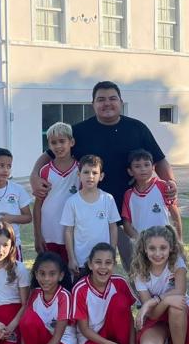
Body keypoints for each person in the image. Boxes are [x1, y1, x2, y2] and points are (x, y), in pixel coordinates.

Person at [30, 81, 177, 268]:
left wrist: (170, 181)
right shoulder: (80, 131)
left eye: (112, 98)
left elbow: (160, 159)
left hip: (127, 214)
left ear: (121, 102)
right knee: (92, 265)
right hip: (91, 214)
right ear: (93, 104)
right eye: (101, 99)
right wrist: (34, 175)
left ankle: (146, 296)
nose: (107, 103)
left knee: (139, 267)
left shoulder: (137, 128)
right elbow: (48, 155)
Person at [130, 225, 189, 344]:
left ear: (171, 248)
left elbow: (179, 292)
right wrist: (164, 299)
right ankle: (167, 343)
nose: (158, 253)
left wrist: (155, 300)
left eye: (163, 248)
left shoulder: (177, 263)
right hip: (158, 316)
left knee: (176, 304)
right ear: (144, 249)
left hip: (181, 313)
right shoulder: (140, 271)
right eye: (152, 248)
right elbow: (152, 314)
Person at [72, 243, 137, 344]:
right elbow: (84, 329)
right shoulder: (80, 289)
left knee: (120, 300)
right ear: (90, 265)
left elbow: (129, 318)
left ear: (114, 265)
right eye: (98, 262)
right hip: (91, 337)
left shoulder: (120, 282)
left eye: (108, 263)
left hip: (114, 333)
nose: (103, 267)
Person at [20, 253, 78, 344]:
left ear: (61, 276)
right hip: (44, 340)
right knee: (27, 318)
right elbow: (24, 328)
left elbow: (57, 337)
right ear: (36, 274)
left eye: (52, 274)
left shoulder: (64, 296)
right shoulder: (34, 294)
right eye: (42, 273)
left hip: (63, 343)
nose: (46, 279)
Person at [61, 154, 120, 281]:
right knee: (81, 295)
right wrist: (71, 258)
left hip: (103, 262)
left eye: (95, 172)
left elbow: (113, 228)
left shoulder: (108, 199)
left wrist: (112, 254)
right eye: (86, 172)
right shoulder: (72, 202)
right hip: (81, 261)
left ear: (101, 176)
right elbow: (68, 231)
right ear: (79, 175)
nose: (90, 176)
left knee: (103, 295)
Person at [33, 122, 79, 265]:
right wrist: (37, 235)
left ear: (71, 142)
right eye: (53, 143)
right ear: (49, 145)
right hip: (48, 233)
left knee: (70, 273)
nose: (58, 146)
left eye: (62, 141)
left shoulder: (81, 169)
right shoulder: (45, 171)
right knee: (50, 272)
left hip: (72, 234)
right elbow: (38, 206)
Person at [121, 149, 183, 244]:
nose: (143, 169)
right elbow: (126, 223)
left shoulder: (163, 187)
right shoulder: (128, 195)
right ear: (130, 171)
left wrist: (179, 240)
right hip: (143, 248)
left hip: (165, 244)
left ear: (153, 167)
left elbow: (174, 213)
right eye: (137, 166)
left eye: (146, 165)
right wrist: (140, 241)